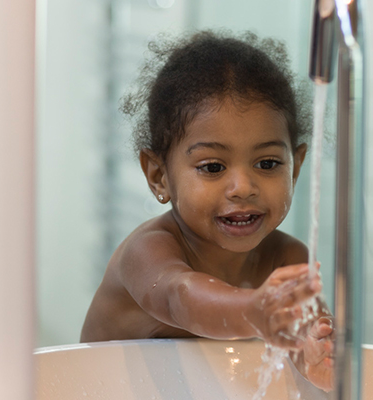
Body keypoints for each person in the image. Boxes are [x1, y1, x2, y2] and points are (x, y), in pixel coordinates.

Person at [80, 30, 334, 392]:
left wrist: (314, 348)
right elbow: (180, 295)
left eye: (267, 163)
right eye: (213, 167)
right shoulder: (147, 252)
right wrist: (253, 309)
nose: (243, 186)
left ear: (295, 167)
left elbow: (306, 333)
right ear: (159, 176)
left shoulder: (289, 259)